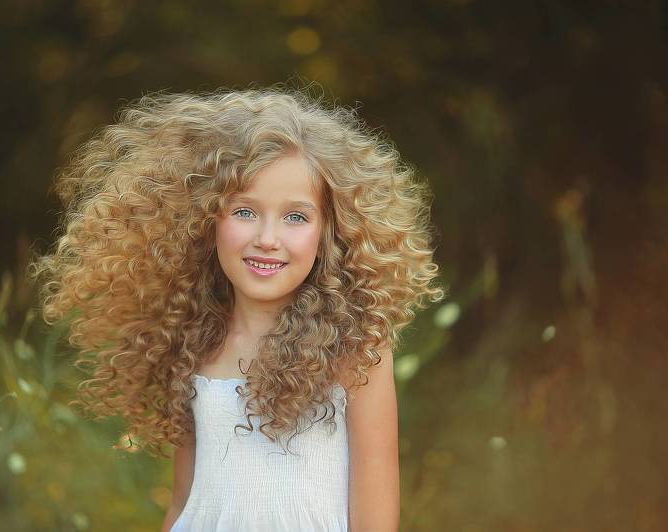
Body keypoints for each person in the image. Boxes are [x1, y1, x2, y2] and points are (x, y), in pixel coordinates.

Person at [29, 84, 445, 531]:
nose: (267, 238)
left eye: (296, 217)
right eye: (244, 212)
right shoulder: (193, 341)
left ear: (329, 232)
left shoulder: (356, 349)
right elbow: (184, 501)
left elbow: (375, 507)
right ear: (206, 220)